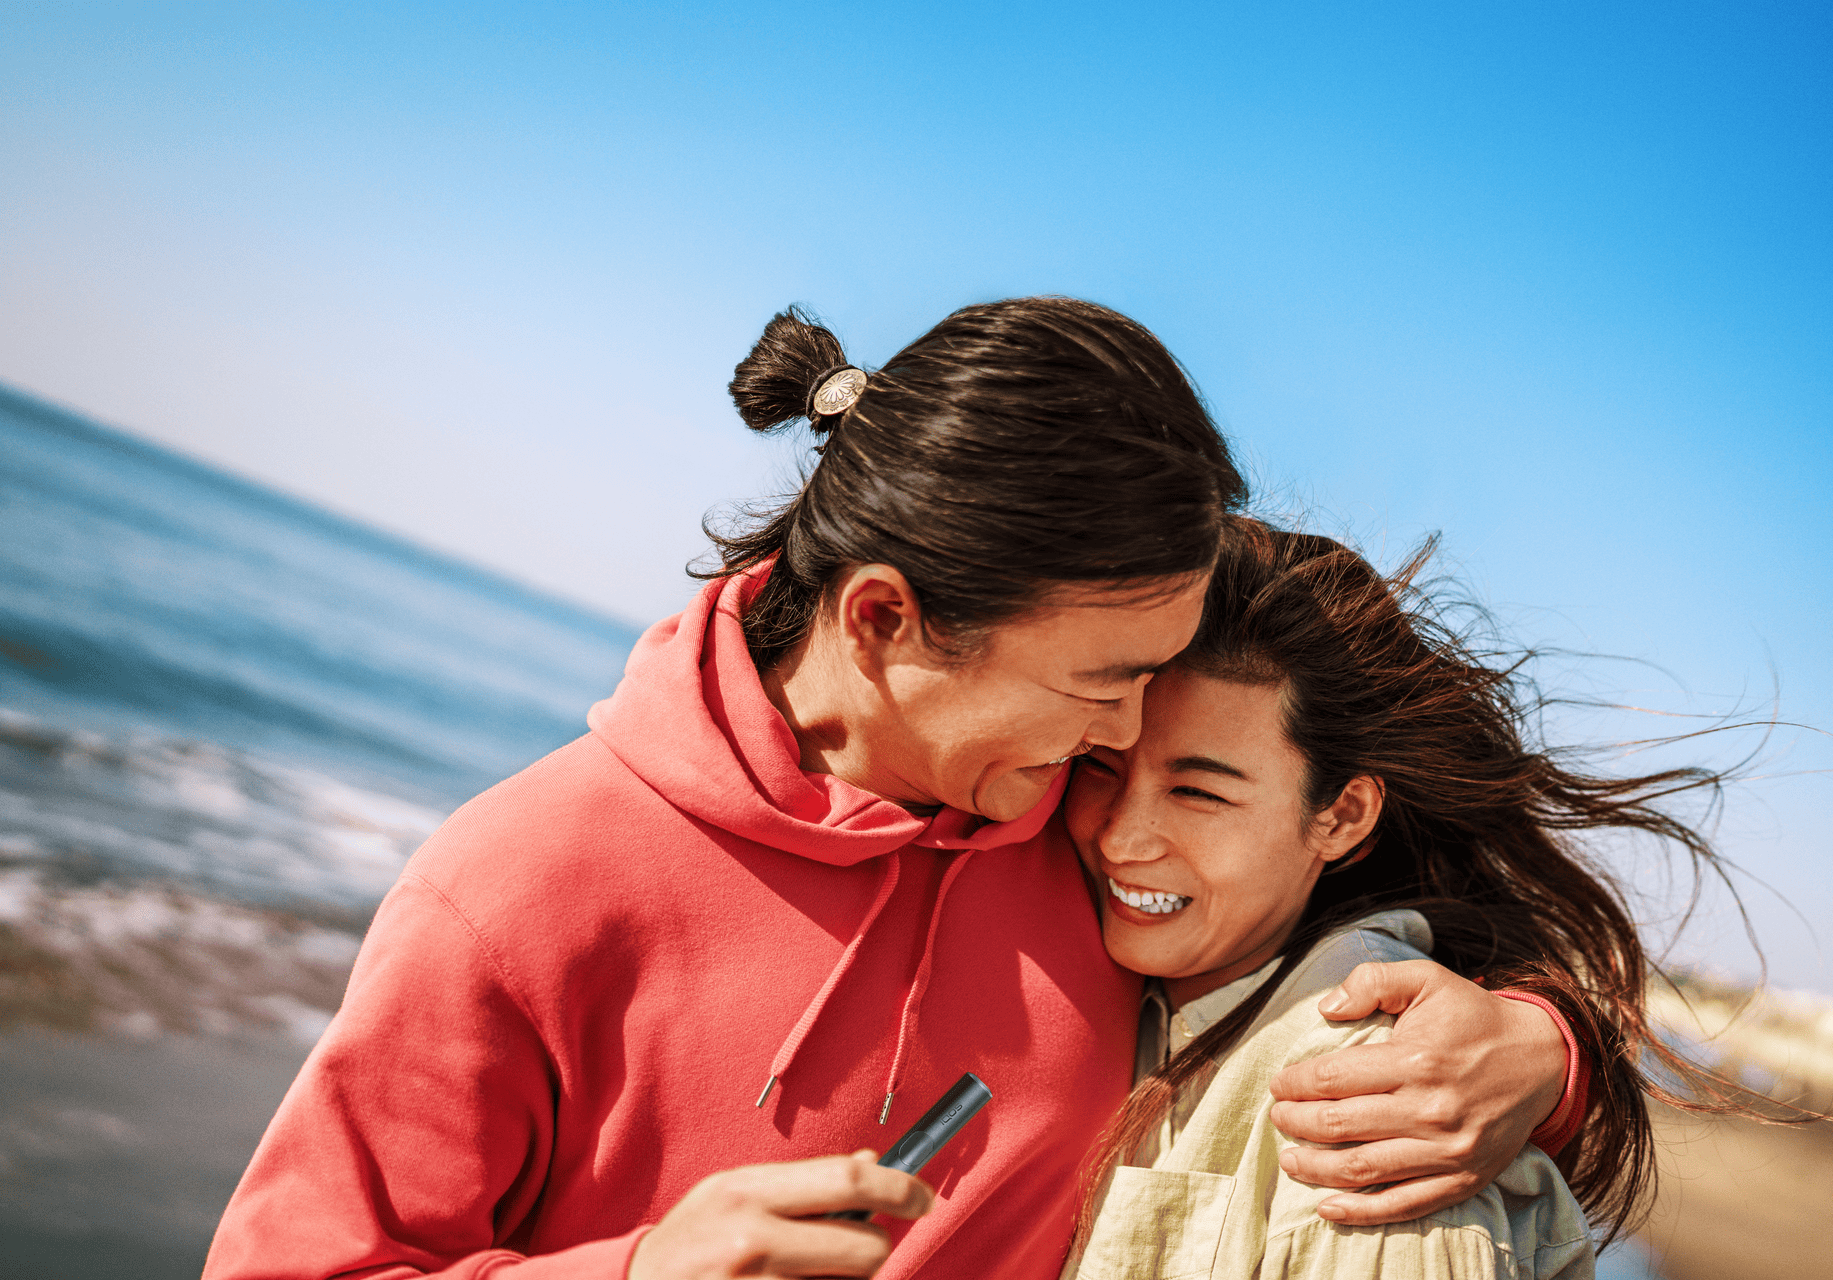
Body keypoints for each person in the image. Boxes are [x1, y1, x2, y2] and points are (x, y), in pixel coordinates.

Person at [205, 301, 1575, 1280]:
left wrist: (1540, 1048)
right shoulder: (519, 882)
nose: (1126, 734)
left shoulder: (1088, 843)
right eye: (1101, 679)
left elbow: (1363, 929)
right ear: (883, 624)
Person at [1063, 517, 1737, 1278]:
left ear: (1342, 817)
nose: (1122, 838)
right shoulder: (1166, 989)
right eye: (1098, 765)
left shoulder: (1386, 1103)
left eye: (1197, 792)